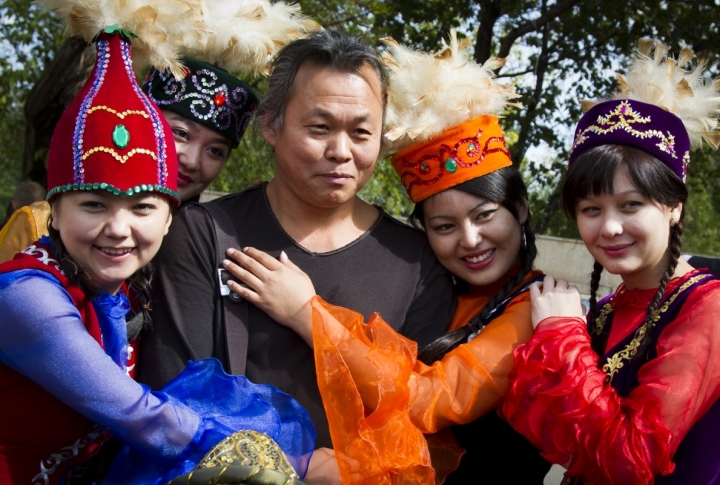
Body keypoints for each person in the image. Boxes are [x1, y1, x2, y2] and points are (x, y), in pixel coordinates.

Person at [220, 33, 551, 484]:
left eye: (485, 215)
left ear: (521, 210)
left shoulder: (537, 307)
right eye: (444, 227)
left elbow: (426, 401)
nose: (471, 240)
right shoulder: (452, 286)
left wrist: (307, 314)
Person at [0, 13, 314, 485]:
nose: (119, 228)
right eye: (93, 203)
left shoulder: (126, 277)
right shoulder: (27, 289)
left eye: (144, 207)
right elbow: (137, 414)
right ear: (56, 209)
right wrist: (299, 466)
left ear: (167, 217)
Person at [136, 30, 457, 463]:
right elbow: (174, 403)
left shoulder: (418, 263)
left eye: (361, 132)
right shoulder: (203, 233)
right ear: (271, 124)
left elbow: (421, 417)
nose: (340, 151)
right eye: (320, 127)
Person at [501, 40, 720, 485]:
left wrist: (560, 333)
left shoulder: (708, 310)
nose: (610, 228)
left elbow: (629, 459)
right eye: (591, 210)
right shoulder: (606, 310)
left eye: (632, 204)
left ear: (674, 205)